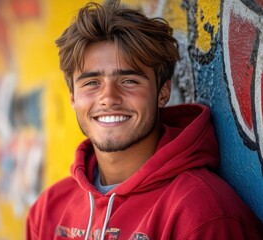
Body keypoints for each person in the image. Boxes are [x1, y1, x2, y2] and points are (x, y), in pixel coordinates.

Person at [26, 1, 263, 239]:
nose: (108, 98)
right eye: (91, 83)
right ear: (73, 98)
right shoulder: (48, 210)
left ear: (162, 92)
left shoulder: (200, 214)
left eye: (129, 81)